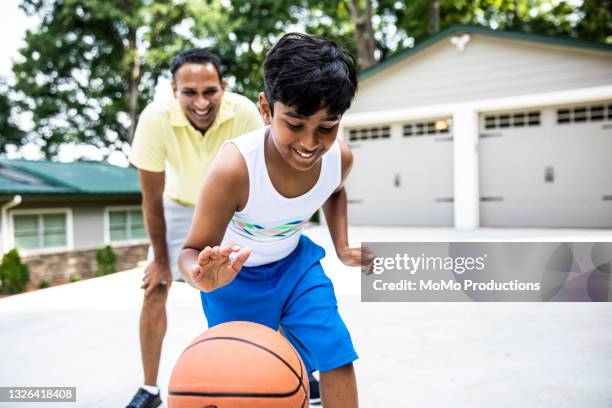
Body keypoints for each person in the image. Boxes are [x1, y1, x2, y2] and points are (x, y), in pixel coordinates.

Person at [179, 33, 363, 407]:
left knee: (335, 352)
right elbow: (192, 250)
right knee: (246, 377)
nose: (310, 143)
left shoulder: (338, 159)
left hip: (296, 268)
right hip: (234, 278)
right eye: (294, 124)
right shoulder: (235, 169)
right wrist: (198, 275)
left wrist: (342, 246)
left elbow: (336, 191)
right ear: (266, 109)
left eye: (326, 128)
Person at [126, 48, 263, 408]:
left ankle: (288, 369)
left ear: (224, 86)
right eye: (189, 93)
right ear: (174, 91)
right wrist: (160, 260)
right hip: (179, 206)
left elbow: (263, 178)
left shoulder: (246, 112)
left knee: (269, 282)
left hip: (235, 208)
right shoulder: (155, 119)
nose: (201, 101)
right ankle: (149, 389)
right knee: (155, 288)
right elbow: (151, 199)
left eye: (210, 91)